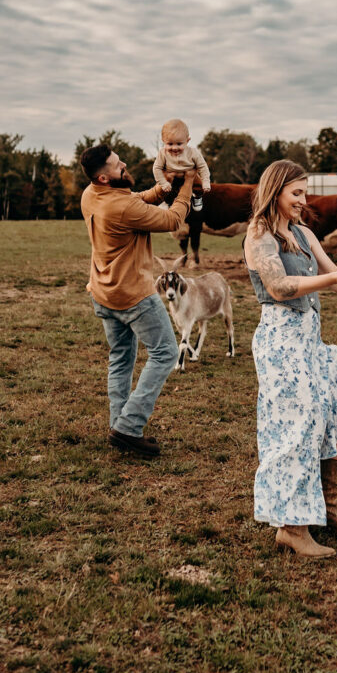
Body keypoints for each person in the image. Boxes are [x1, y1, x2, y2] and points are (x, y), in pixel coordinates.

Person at [243, 160, 337, 559]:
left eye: (304, 192)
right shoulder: (259, 237)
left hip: (310, 337)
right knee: (296, 427)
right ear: (275, 191)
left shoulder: (304, 233)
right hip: (281, 340)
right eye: (296, 193)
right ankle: (292, 528)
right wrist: (333, 280)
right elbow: (279, 287)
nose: (303, 200)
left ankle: (328, 510)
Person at [80, 143, 195, 457]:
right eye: (118, 165)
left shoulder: (91, 194)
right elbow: (173, 220)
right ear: (104, 178)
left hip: (103, 292)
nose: (124, 165)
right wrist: (187, 186)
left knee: (120, 359)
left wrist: (161, 189)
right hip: (132, 296)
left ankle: (119, 426)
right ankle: (129, 426)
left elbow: (133, 199)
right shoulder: (121, 208)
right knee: (165, 353)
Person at [152, 119, 211, 212]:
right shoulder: (162, 153)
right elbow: (157, 168)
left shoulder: (193, 152)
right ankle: (162, 203)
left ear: (187, 141)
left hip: (190, 174)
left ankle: (197, 198)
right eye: (170, 144)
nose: (175, 148)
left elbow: (202, 167)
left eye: (179, 144)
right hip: (171, 176)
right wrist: (163, 182)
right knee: (165, 191)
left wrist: (206, 181)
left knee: (199, 187)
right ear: (163, 141)